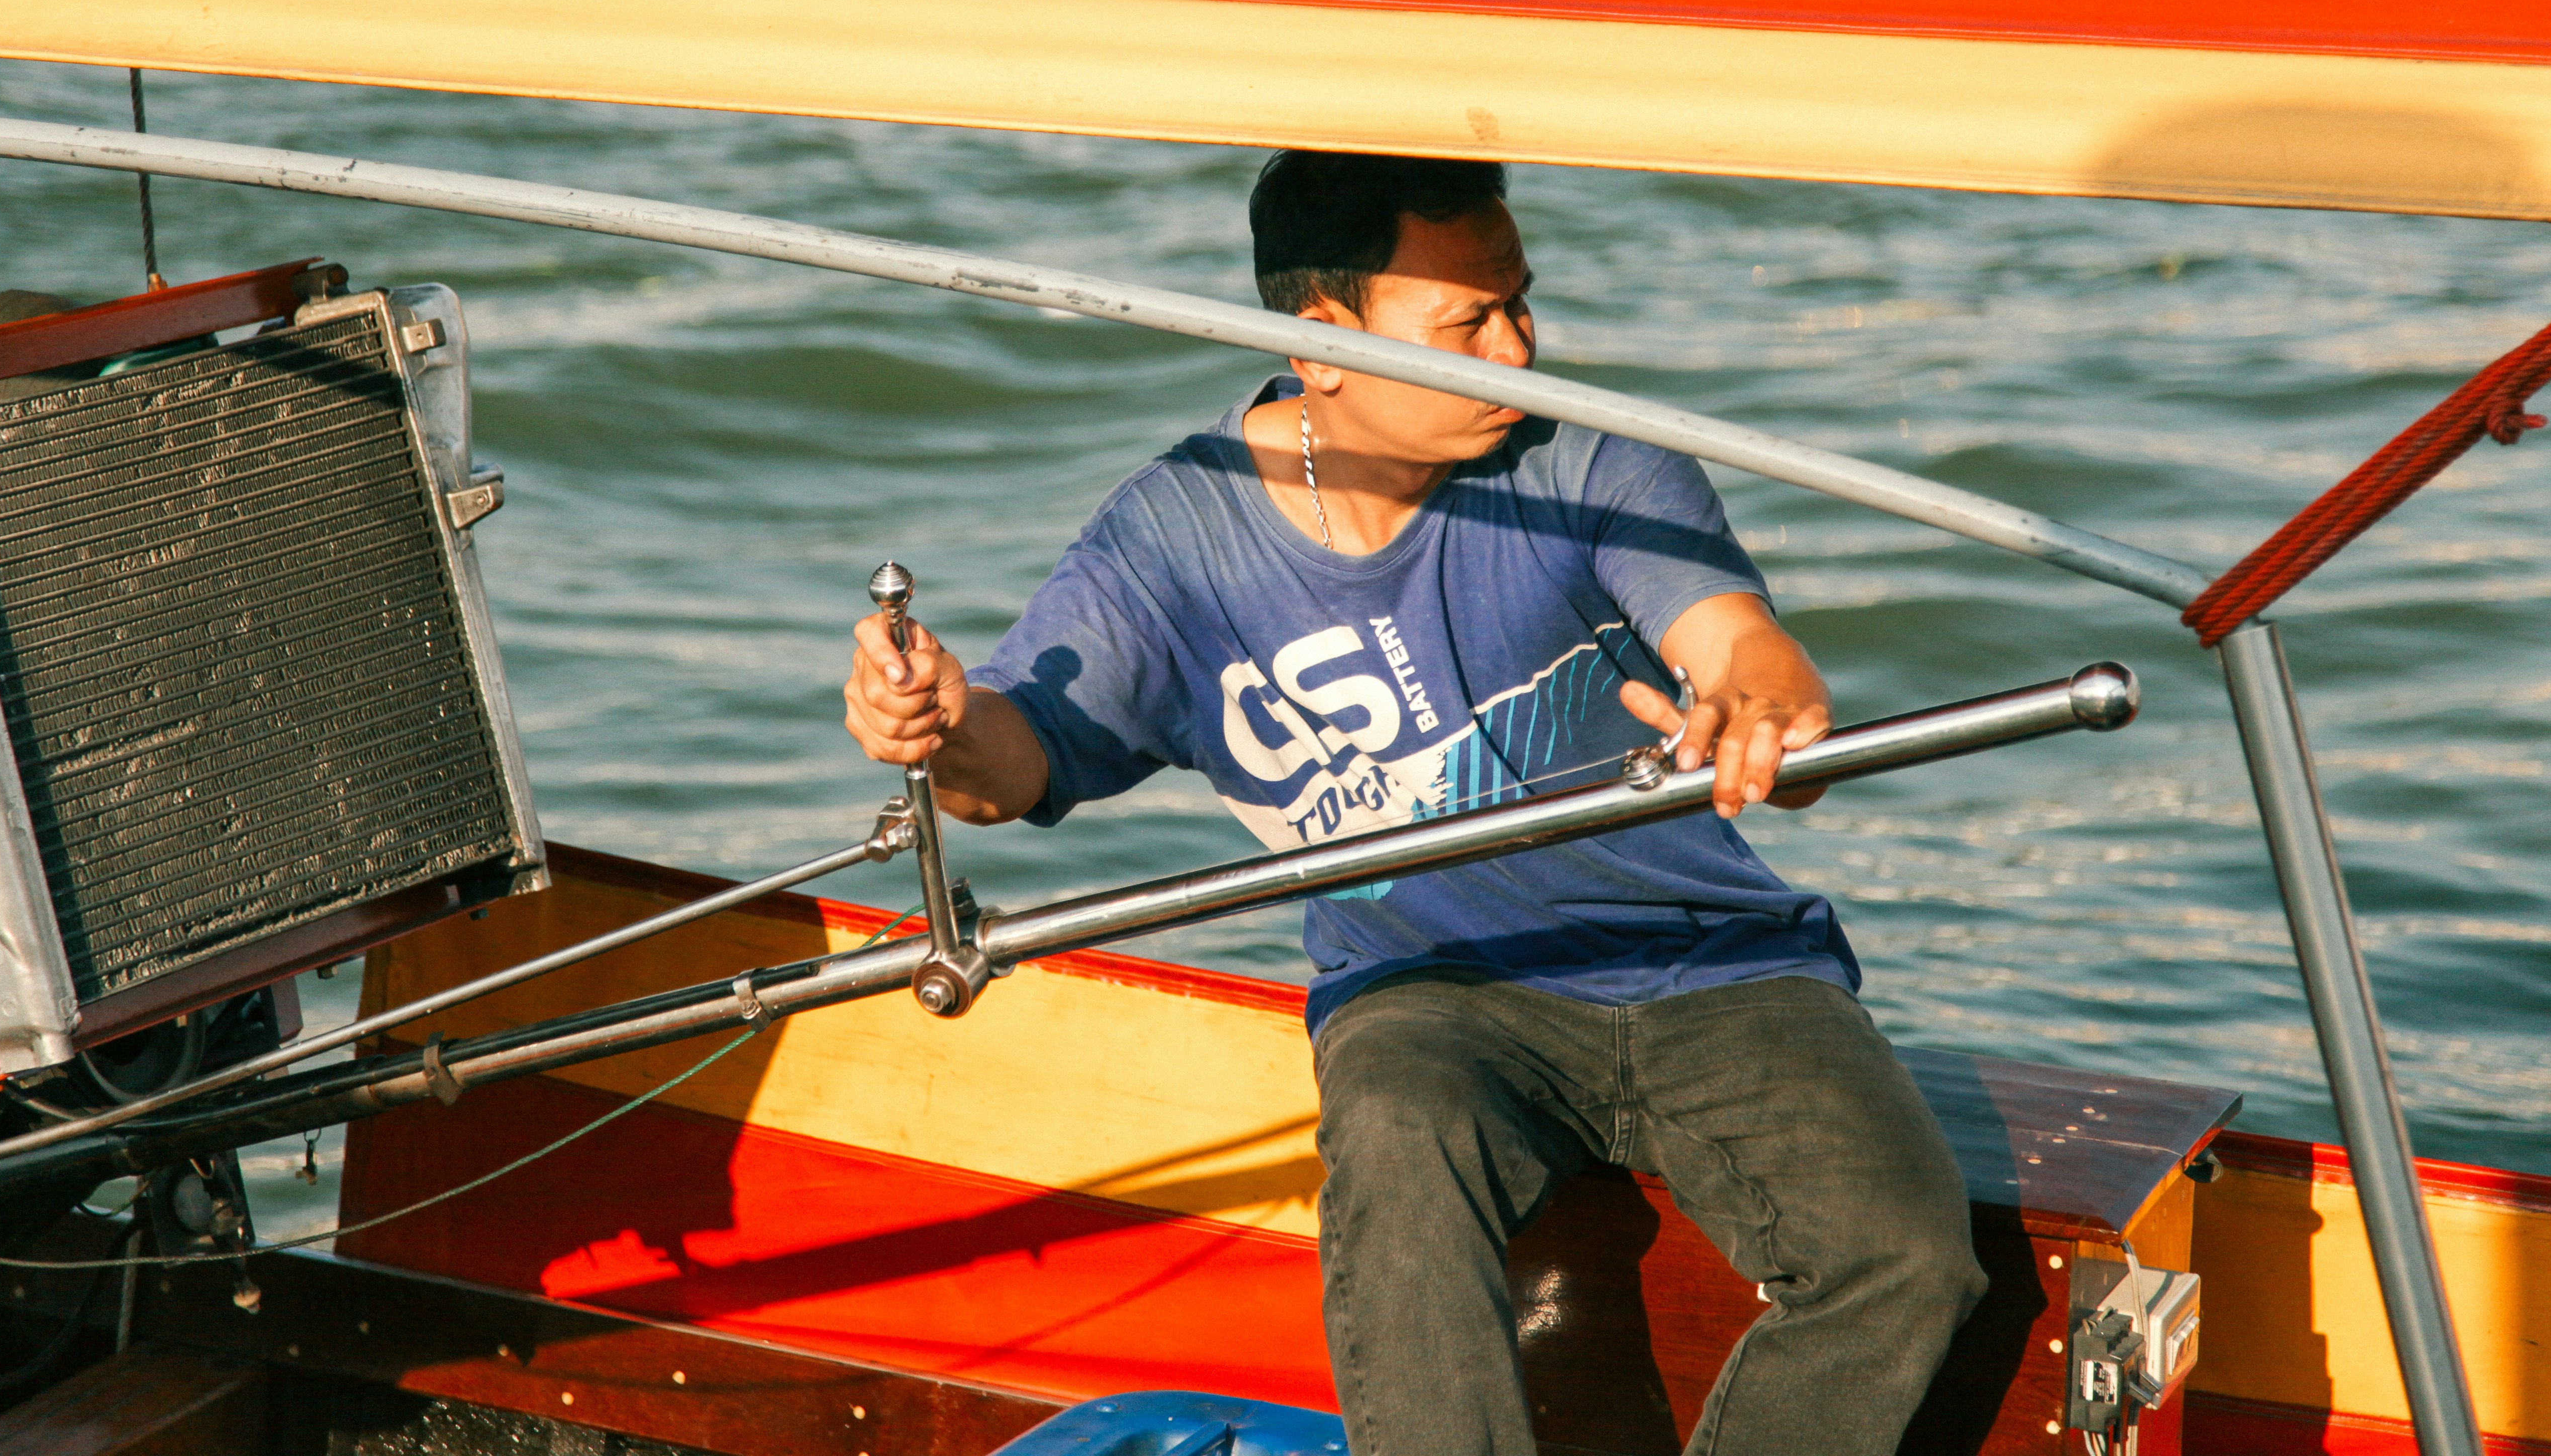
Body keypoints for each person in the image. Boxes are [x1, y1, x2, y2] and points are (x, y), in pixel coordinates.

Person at [841, 152, 1985, 1456]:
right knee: (1393, 1129)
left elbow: (1740, 647)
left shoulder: (1594, 459)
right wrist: (933, 720)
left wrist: (1768, 706)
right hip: (1430, 998)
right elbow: (1013, 762)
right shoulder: (1173, 534)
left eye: (1522, 303)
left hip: (1712, 962)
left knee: (1905, 1253)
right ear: (1319, 343)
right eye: (1469, 326)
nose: (1520, 348)